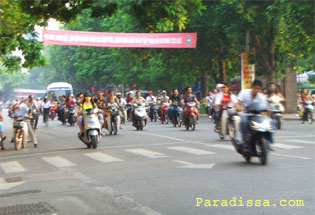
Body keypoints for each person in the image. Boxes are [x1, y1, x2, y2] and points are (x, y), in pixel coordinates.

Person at [235, 80, 270, 150]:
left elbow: (265, 107)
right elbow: (238, 104)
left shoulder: (261, 97)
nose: (257, 90)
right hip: (246, 114)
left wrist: (267, 115)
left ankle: (268, 143)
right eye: (256, 88)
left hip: (257, 115)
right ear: (252, 87)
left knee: (269, 123)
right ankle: (245, 143)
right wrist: (240, 108)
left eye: (259, 89)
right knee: (244, 122)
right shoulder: (244, 93)